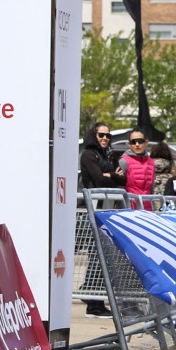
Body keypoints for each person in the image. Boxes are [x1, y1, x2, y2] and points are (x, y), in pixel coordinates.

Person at [79, 122, 121, 316]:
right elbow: (98, 178)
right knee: (97, 258)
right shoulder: (89, 154)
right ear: (93, 136)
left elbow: (123, 180)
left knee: (101, 257)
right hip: (92, 211)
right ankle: (93, 303)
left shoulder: (108, 156)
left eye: (107, 135)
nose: (105, 138)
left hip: (105, 211)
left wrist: (109, 175)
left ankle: (91, 296)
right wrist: (112, 175)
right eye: (101, 135)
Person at [116, 130, 155, 195]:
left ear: (146, 143)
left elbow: (152, 188)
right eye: (133, 142)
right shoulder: (123, 161)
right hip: (129, 204)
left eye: (140, 141)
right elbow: (119, 188)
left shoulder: (151, 162)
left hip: (148, 204)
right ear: (129, 144)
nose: (137, 144)